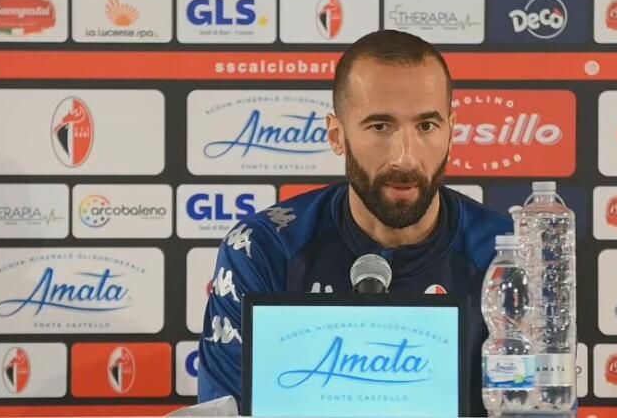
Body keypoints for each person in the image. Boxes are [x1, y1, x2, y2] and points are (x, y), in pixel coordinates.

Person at [197, 29, 512, 415]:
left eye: (426, 126)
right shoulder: (264, 248)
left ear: (451, 130)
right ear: (337, 136)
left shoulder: (508, 256)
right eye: (381, 127)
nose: (405, 157)